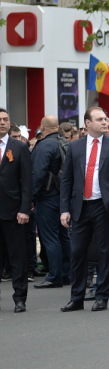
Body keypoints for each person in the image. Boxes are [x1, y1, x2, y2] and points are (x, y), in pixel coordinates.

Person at [60, 107, 109, 312]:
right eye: (99, 119)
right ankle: (77, 298)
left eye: (106, 119)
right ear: (87, 124)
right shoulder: (74, 147)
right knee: (77, 252)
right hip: (80, 207)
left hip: (104, 206)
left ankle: (102, 296)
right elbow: (66, 181)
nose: (105, 122)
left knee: (104, 251)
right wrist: (64, 209)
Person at [31, 116, 71, 290]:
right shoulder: (63, 143)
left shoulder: (44, 145)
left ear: (42, 127)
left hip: (47, 198)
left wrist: (30, 197)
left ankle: (55, 276)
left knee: (50, 238)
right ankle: (66, 273)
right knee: (63, 237)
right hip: (63, 197)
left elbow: (37, 174)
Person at [0, 108, 32, 313]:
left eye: (5, 119)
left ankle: (20, 298)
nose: (2, 122)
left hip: (13, 212)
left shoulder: (19, 148)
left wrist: (24, 209)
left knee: (17, 257)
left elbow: (27, 182)